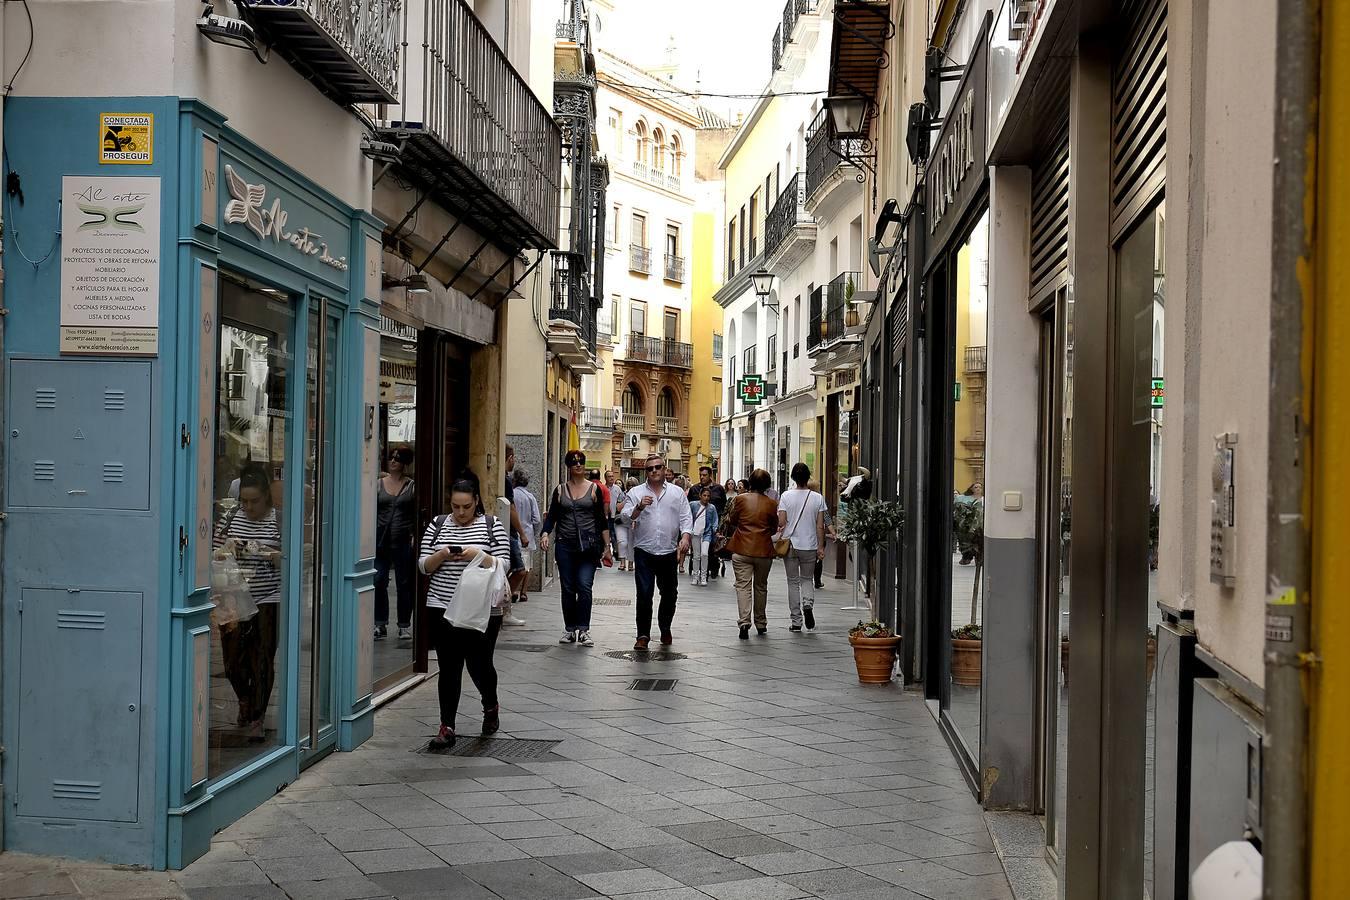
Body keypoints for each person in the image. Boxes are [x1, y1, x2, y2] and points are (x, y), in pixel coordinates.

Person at [419, 477, 511, 750]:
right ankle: (446, 726)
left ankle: (490, 705)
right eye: (455, 506)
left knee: (480, 665)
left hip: (482, 610)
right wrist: (443, 554)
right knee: (449, 668)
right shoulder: (437, 525)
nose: (460, 513)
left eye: (466, 507)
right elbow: (423, 565)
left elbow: (504, 564)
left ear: (477, 503)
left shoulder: (492, 526)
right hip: (442, 606)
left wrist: (475, 555)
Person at [214, 466, 284, 742]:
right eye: (244, 501)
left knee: (263, 659)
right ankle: (246, 699)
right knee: (232, 662)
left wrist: (271, 554)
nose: (248, 506)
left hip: (269, 595)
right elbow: (214, 552)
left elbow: (297, 554)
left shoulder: (278, 520)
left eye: (254, 501)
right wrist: (224, 552)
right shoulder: (230, 517)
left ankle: (257, 717)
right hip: (234, 597)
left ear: (266, 497)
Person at [620, 452, 693, 649]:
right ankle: (642, 635)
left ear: (664, 469)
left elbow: (686, 517)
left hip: (668, 551)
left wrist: (685, 537)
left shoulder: (677, 493)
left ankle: (665, 627)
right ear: (646, 472)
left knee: (669, 594)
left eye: (657, 467)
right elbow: (626, 517)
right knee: (644, 593)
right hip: (644, 550)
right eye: (650, 468)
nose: (654, 471)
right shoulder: (635, 493)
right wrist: (638, 507)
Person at [541, 450, 612, 646]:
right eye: (574, 463)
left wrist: (607, 546)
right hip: (565, 545)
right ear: (569, 467)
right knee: (568, 588)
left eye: (581, 462)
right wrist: (545, 533)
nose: (578, 465)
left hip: (589, 546)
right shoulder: (560, 490)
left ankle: (584, 628)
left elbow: (601, 520)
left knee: (584, 586)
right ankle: (569, 629)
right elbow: (552, 516)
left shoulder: (594, 490)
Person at [724, 469, 778, 639]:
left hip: (742, 548)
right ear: (767, 485)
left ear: (750, 483)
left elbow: (732, 520)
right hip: (763, 550)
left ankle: (744, 622)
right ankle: (761, 622)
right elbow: (774, 528)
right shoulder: (771, 503)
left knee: (742, 585)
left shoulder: (740, 499)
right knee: (761, 587)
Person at [777, 464, 828, 632]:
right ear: (808, 477)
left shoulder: (786, 496)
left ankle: (796, 621)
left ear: (792, 477)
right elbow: (820, 526)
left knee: (792, 582)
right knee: (807, 579)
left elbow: (781, 523)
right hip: (810, 545)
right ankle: (808, 604)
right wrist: (821, 546)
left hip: (790, 544)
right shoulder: (817, 498)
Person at [375, 448, 416, 643]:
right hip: (380, 540)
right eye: (391, 457)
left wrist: (415, 535)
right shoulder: (378, 484)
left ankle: (403, 625)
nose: (393, 461)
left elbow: (416, 512)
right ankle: (380, 623)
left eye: (397, 459)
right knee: (379, 580)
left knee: (404, 583)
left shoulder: (411, 487)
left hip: (402, 540)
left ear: (405, 463)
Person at [503, 446, 529, 622]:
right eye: (513, 458)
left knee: (508, 571)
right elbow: (511, 508)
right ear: (510, 458)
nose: (514, 462)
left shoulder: (505, 480)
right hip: (509, 532)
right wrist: (522, 533)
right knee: (519, 570)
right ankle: (503, 609)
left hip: (506, 531)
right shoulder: (505, 481)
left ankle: (504, 609)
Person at [687, 467, 728, 580]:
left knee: (711, 549)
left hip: (713, 523)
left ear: (710, 475)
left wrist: (719, 524)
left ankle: (713, 569)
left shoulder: (718, 489)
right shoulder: (694, 489)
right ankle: (696, 569)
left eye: (704, 475)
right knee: (697, 550)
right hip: (697, 525)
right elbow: (688, 508)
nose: (702, 477)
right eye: (700, 475)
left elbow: (724, 506)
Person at [513, 466, 543, 602]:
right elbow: (537, 519)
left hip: (513, 535)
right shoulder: (530, 497)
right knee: (527, 565)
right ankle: (523, 592)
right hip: (527, 535)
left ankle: (514, 590)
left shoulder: (511, 495)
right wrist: (534, 533)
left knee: (514, 564)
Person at [807, 478, 839, 589]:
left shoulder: (803, 501)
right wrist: (833, 532)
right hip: (818, 535)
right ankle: (817, 580)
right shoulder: (819, 500)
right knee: (818, 558)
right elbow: (826, 519)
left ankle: (807, 579)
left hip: (805, 535)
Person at [688, 487, 719, 586]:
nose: (706, 498)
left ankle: (704, 577)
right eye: (704, 495)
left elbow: (715, 521)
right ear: (700, 495)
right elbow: (688, 517)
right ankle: (695, 577)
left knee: (704, 554)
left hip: (707, 533)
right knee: (696, 556)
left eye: (708, 496)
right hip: (695, 533)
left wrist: (715, 530)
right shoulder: (693, 505)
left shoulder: (712, 508)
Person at [615, 476, 639, 570]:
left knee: (632, 543)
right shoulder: (622, 494)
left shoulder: (638, 494)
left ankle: (630, 563)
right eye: (629, 485)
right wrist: (627, 500)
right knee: (622, 542)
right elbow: (618, 508)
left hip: (633, 521)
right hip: (621, 521)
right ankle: (622, 562)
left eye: (633, 485)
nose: (631, 487)